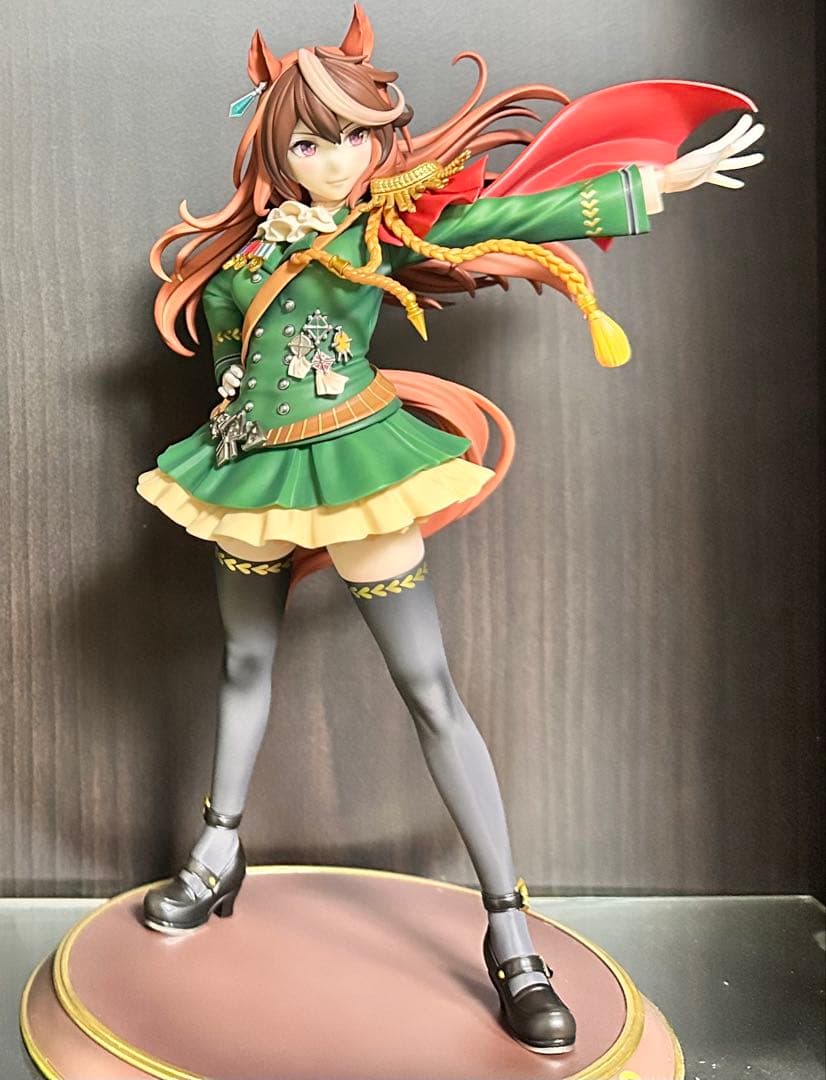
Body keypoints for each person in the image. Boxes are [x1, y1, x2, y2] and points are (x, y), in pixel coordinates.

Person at [136, 4, 763, 1054]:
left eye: (348, 138)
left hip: (356, 463)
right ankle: (217, 851)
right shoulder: (242, 255)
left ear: (377, 141)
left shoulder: (377, 231)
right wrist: (232, 412)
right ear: (274, 151)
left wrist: (652, 183)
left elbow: (504, 220)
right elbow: (232, 362)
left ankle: (509, 932)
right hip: (246, 474)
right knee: (242, 660)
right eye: (307, 143)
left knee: (429, 690)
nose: (332, 160)